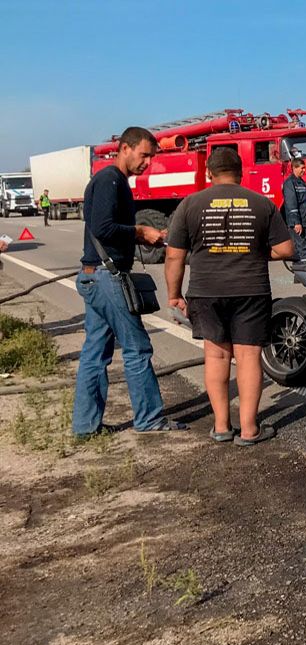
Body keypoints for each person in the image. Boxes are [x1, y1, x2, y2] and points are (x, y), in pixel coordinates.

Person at [164, 147, 293, 446]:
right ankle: (249, 430)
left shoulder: (189, 205)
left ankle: (221, 427)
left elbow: (174, 257)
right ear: (242, 172)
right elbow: (286, 249)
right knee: (248, 356)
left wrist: (174, 295)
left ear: (208, 173)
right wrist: (256, 252)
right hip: (251, 288)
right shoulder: (262, 204)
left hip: (206, 291)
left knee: (216, 355)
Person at [73, 126, 186, 438]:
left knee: (95, 353)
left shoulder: (113, 180)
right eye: (144, 155)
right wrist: (140, 232)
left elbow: (105, 230)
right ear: (125, 148)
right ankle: (149, 419)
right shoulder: (110, 180)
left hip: (95, 276)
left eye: (151, 157)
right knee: (137, 348)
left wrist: (143, 238)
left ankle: (85, 427)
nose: (147, 162)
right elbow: (103, 227)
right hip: (106, 277)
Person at [282, 157, 306, 265]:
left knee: (304, 248)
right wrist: (296, 222)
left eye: (304, 168)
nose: (304, 170)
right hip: (298, 223)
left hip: (304, 221)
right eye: (302, 168)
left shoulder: (302, 183)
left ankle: (302, 274)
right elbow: (291, 204)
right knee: (301, 249)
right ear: (294, 168)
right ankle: (303, 273)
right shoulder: (290, 183)